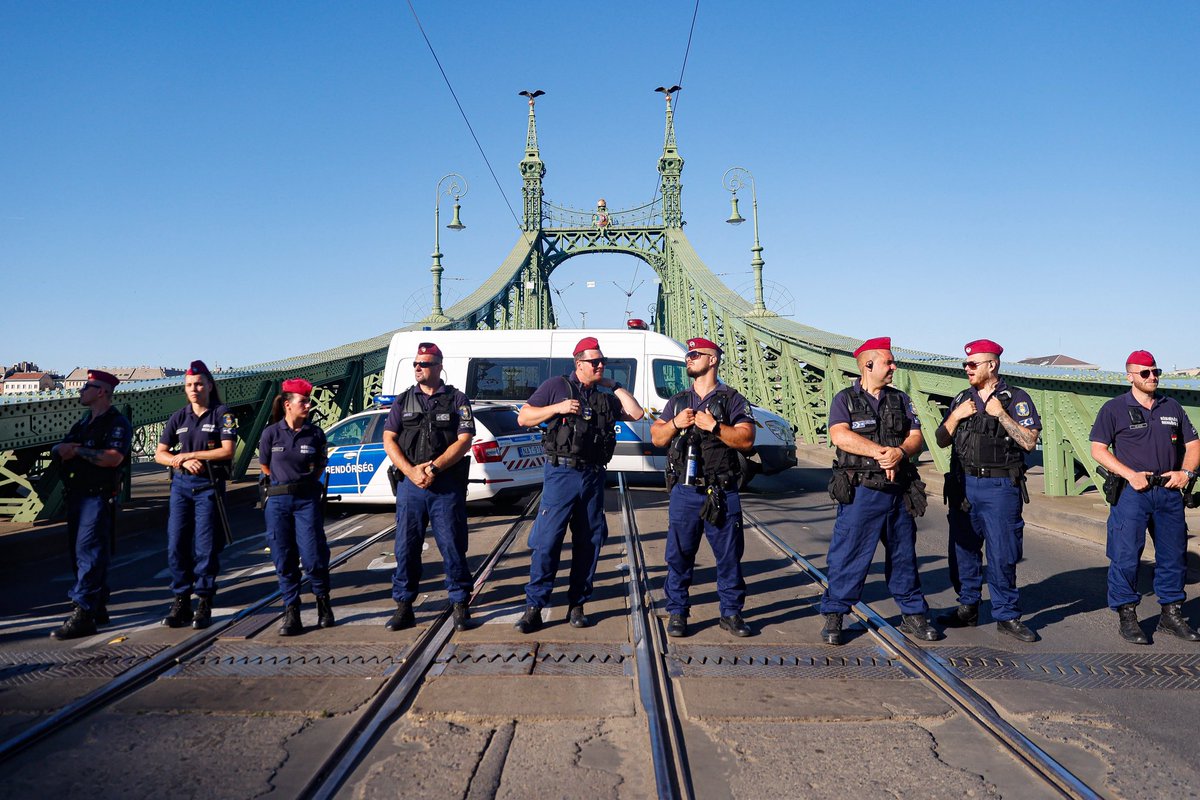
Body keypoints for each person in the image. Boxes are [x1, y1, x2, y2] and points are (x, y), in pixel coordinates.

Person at [513, 336, 645, 632]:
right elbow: (524, 417)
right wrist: (557, 408)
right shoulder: (556, 386)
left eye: (603, 361)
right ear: (578, 364)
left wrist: (615, 385)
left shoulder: (604, 394)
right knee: (547, 543)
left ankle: (577, 604)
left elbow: (636, 413)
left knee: (589, 543)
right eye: (594, 362)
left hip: (592, 476)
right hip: (561, 474)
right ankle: (534, 607)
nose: (600, 365)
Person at [820, 337, 939, 646]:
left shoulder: (900, 399)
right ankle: (835, 614)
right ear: (868, 365)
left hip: (898, 491)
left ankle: (913, 613)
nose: (893, 367)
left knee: (903, 555)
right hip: (862, 490)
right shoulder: (844, 400)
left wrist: (899, 452)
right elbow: (840, 436)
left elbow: (916, 436)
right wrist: (880, 452)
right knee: (848, 555)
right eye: (888, 362)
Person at [1090, 350, 1200, 645]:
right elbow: (1098, 449)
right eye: (1145, 373)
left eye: (1156, 371)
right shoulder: (1114, 409)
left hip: (1168, 491)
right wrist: (1130, 474)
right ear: (1130, 376)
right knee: (1125, 557)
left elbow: (1193, 444)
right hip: (1133, 493)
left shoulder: (1172, 406)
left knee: (1174, 555)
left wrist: (1186, 474)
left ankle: (1171, 614)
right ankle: (1128, 616)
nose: (1153, 377)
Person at [649, 336, 757, 638]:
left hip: (721, 489)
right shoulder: (679, 401)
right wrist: (674, 424)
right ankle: (678, 612)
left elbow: (747, 440)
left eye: (696, 354)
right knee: (679, 555)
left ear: (713, 359)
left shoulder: (732, 399)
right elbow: (657, 437)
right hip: (685, 490)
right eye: (688, 355)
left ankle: (732, 613)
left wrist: (716, 427)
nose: (689, 358)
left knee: (729, 556)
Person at [935, 340, 1041, 642]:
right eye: (965, 364)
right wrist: (955, 416)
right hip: (963, 485)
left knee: (1002, 553)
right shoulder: (961, 398)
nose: (966, 369)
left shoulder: (1015, 399)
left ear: (991, 365)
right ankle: (967, 606)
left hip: (999, 487)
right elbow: (942, 439)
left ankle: (1006, 614)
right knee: (963, 550)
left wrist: (1001, 415)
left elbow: (1029, 442)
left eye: (972, 364)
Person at [382, 342, 476, 632]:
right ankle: (404, 606)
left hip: (445, 483)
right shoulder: (403, 400)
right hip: (411, 485)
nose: (418, 368)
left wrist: (433, 468)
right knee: (406, 546)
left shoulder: (457, 400)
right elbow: (389, 438)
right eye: (415, 364)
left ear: (438, 366)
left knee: (452, 545)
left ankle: (460, 604)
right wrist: (411, 471)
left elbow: (464, 440)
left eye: (424, 363)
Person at [49, 370, 132, 640]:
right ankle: (97, 606)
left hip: (97, 496)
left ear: (102, 392)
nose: (81, 390)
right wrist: (64, 450)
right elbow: (60, 447)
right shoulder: (84, 423)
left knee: (89, 552)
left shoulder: (116, 423)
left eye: (87, 386)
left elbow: (113, 458)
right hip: (77, 494)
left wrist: (77, 451)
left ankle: (84, 610)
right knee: (78, 552)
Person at [154, 360, 236, 630]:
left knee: (205, 547)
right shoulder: (179, 417)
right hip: (180, 487)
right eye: (189, 385)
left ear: (210, 385)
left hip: (208, 487)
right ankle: (180, 600)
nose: (194, 389)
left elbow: (227, 451)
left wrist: (190, 454)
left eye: (199, 384)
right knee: (176, 544)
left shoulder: (222, 414)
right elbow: (160, 453)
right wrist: (179, 460)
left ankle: (203, 601)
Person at [258, 378, 333, 636]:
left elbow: (321, 464)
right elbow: (265, 466)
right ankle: (291, 611)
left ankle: (323, 600)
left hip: (306, 500)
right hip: (278, 501)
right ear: (288, 405)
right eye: (303, 401)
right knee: (284, 556)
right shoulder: (270, 434)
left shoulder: (315, 434)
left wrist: (305, 483)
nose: (308, 405)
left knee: (313, 555)